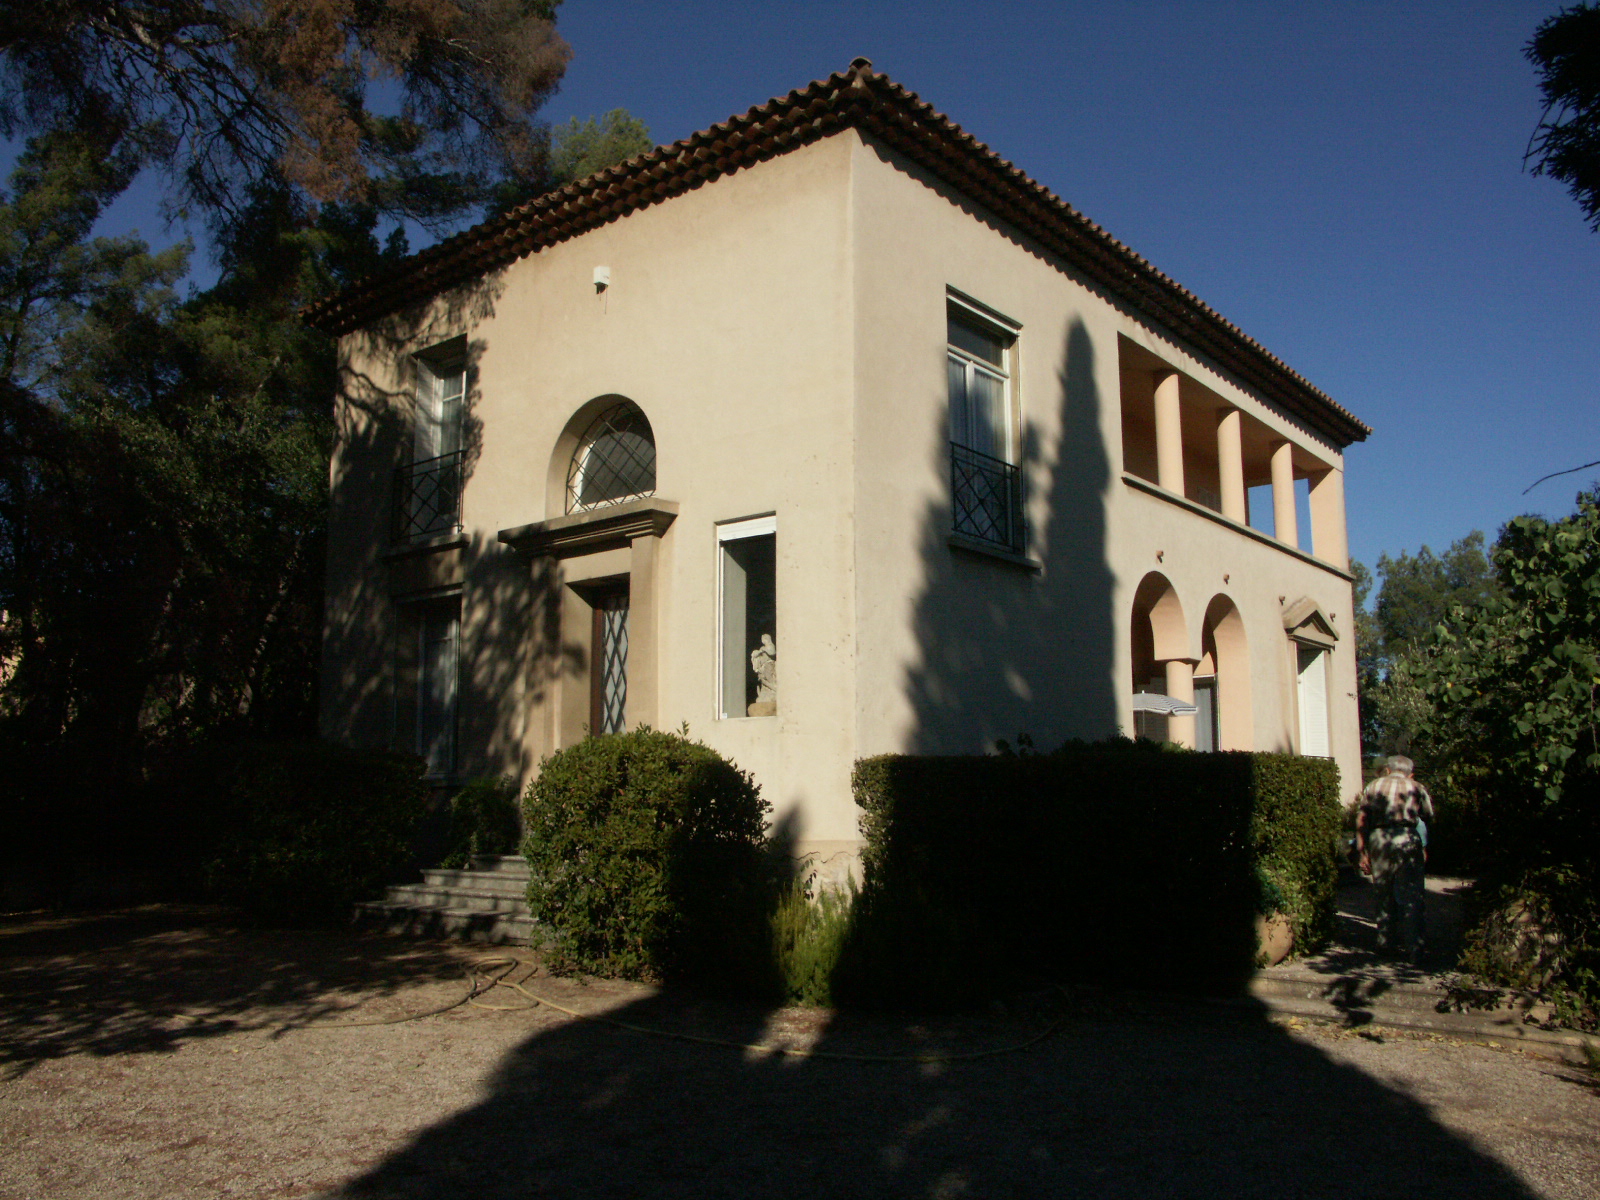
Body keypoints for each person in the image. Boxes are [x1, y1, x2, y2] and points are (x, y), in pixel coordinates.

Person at [1355, 755, 1435, 964]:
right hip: (1407, 837)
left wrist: (1363, 850)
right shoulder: (1417, 787)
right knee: (1411, 894)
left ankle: (1384, 943)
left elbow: (1362, 819)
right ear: (1410, 773)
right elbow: (1428, 815)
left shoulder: (1374, 786)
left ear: (1388, 770)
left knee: (1383, 891)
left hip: (1380, 838)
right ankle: (1414, 947)